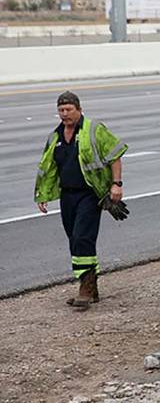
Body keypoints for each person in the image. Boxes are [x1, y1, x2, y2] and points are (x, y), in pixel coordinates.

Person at [34, 91, 127, 309]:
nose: (64, 114)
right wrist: (42, 194)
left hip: (89, 194)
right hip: (67, 195)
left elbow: (115, 155)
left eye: (68, 110)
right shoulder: (55, 136)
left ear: (79, 109)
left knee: (82, 237)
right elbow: (48, 168)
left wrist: (117, 184)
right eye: (61, 110)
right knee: (73, 239)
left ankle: (84, 289)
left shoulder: (94, 130)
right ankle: (91, 286)